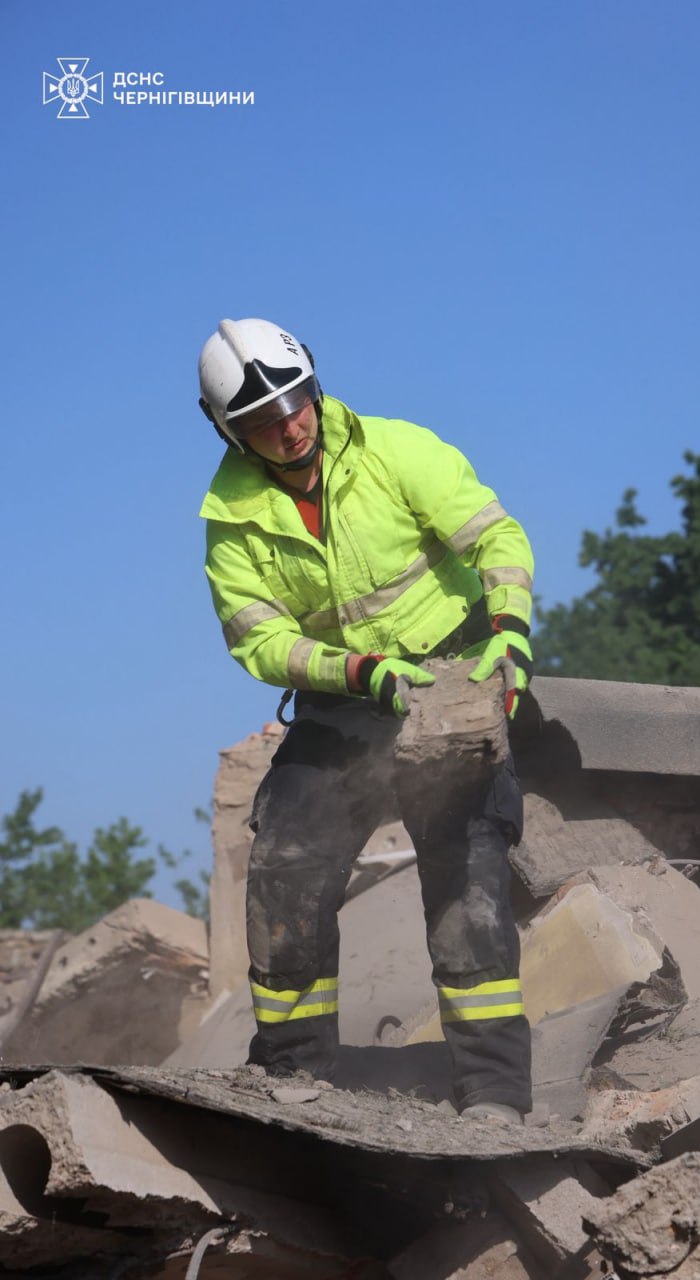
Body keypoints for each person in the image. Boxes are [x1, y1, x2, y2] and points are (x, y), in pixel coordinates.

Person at [198, 318, 535, 1122]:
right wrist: (355, 672)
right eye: (261, 422)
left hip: (451, 679)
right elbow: (258, 639)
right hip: (345, 703)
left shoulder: (397, 450)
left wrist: (510, 634)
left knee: (467, 874)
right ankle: (291, 1074)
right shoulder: (230, 516)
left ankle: (492, 1094)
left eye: (295, 402)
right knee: (286, 862)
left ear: (313, 385)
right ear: (227, 431)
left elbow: (499, 536)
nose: (288, 427)